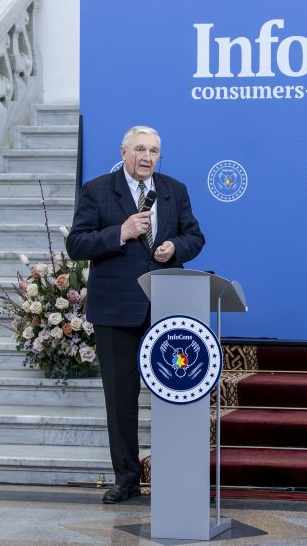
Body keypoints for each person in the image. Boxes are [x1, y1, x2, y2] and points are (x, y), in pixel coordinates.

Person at [66, 125, 205, 504]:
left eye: (154, 151)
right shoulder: (97, 190)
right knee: (121, 400)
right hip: (116, 310)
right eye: (140, 149)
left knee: (175, 395)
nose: (147, 157)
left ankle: (177, 478)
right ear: (124, 152)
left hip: (167, 308)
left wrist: (174, 247)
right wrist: (121, 232)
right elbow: (76, 244)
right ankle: (127, 479)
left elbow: (195, 236)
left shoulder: (174, 189)